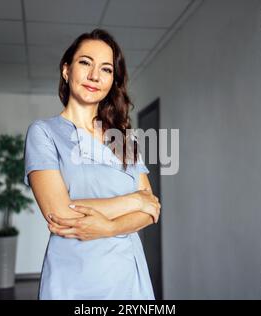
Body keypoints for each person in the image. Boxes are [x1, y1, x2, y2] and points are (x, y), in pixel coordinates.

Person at [23, 28, 161, 300]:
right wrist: (135, 200)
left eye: (106, 69)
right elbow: (59, 212)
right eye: (85, 62)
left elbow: (151, 210)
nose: (95, 76)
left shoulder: (122, 139)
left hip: (128, 277)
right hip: (75, 277)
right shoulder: (44, 133)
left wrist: (109, 227)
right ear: (66, 70)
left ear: (113, 80)